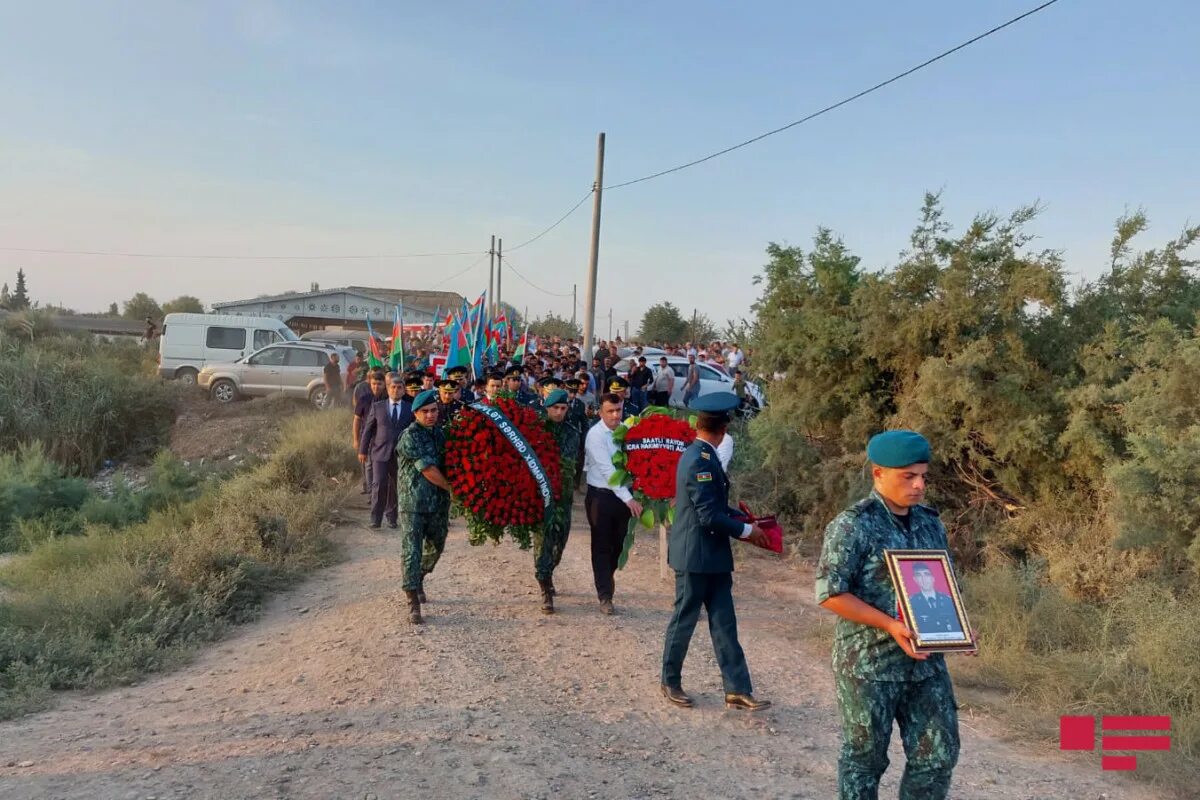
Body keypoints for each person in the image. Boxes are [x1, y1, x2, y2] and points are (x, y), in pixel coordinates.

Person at [816, 430, 967, 800]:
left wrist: (958, 627)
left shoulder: (930, 522)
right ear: (878, 474)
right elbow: (830, 593)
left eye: (923, 476)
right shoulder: (853, 525)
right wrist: (890, 625)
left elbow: (941, 583)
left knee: (939, 755)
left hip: (926, 666)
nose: (919, 485)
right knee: (864, 759)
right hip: (870, 666)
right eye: (908, 476)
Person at [661, 392, 771, 711]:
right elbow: (708, 514)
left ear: (698, 424)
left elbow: (716, 507)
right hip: (695, 556)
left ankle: (737, 689)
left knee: (725, 623)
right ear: (724, 428)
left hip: (714, 557)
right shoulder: (698, 460)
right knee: (684, 621)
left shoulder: (704, 456)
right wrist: (749, 532)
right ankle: (670, 681)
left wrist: (745, 518)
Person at [395, 389, 452, 624]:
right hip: (413, 504)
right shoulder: (410, 436)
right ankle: (412, 601)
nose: (430, 415)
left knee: (436, 546)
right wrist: (453, 489)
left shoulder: (440, 434)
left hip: (437, 504)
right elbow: (428, 469)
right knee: (412, 551)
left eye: (433, 411)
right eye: (425, 412)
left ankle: (417, 577)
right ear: (416, 413)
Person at [583, 393, 640, 615]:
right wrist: (630, 499)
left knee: (618, 544)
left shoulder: (626, 431)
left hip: (623, 497)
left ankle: (608, 575)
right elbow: (609, 471)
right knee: (601, 545)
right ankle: (605, 595)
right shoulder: (595, 435)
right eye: (610, 411)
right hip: (601, 497)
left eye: (618, 410)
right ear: (601, 413)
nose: (615, 415)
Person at [535, 388, 581, 614]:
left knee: (560, 541)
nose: (560, 412)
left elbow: (572, 461)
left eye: (563, 408)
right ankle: (545, 586)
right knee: (543, 541)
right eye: (556, 408)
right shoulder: (536, 431)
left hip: (563, 496)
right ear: (547, 408)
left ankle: (549, 571)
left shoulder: (573, 432)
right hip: (541, 497)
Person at [358, 373, 414, 530]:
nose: (396, 390)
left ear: (404, 390)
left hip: (401, 455)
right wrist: (362, 450)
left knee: (396, 486)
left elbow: (414, 431)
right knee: (379, 484)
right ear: (388, 389)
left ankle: (392, 517)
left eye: (399, 387)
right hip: (380, 453)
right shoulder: (378, 407)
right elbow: (368, 430)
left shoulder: (410, 409)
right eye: (393, 387)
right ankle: (376, 519)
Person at [351, 368, 387, 494]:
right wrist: (356, 440)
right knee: (368, 465)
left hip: (384, 438)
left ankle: (380, 491)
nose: (376, 387)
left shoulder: (389, 399)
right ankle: (372, 493)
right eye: (373, 384)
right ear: (370, 384)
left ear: (384, 384)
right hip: (367, 437)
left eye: (379, 384)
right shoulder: (364, 399)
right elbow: (357, 420)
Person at [907, 564, 962, 635]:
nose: (923, 579)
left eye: (927, 574)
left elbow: (957, 625)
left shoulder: (948, 600)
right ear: (915, 579)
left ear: (933, 578)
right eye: (919, 575)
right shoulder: (911, 603)